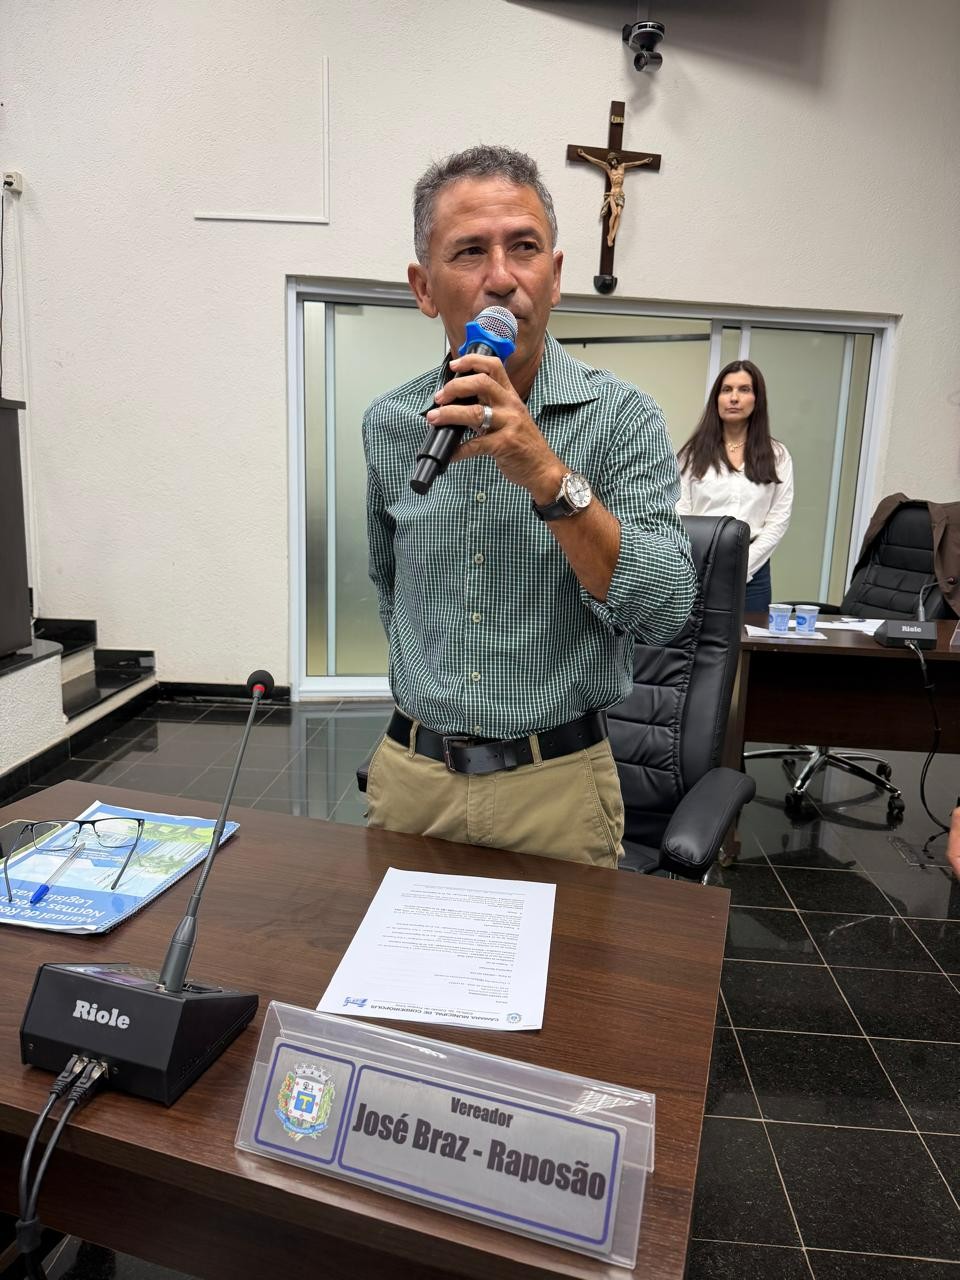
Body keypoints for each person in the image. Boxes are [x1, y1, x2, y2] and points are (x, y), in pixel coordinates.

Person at [361, 144, 696, 869]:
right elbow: (392, 589)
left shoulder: (624, 418)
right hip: (413, 781)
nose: (502, 277)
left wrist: (548, 476)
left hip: (558, 787)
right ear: (424, 288)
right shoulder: (391, 425)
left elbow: (666, 610)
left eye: (525, 248)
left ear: (556, 275)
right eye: (469, 252)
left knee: (570, 953)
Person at [676, 360, 794, 615]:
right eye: (726, 390)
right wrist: (703, 562)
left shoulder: (777, 455)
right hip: (698, 567)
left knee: (748, 638)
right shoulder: (692, 454)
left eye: (744, 389)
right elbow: (681, 514)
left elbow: (778, 520)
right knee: (695, 638)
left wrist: (743, 565)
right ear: (716, 399)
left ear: (757, 399)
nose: (734, 398)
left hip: (753, 571)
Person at [576, 149, 652, 246]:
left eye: (613, 160)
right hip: (613, 194)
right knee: (614, 213)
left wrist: (644, 161)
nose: (613, 162)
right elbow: (597, 162)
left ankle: (612, 236)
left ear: (617, 159)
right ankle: (609, 234)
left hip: (621, 194)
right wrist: (584, 154)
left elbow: (634, 164)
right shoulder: (609, 169)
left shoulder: (623, 166)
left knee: (619, 214)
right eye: (611, 161)